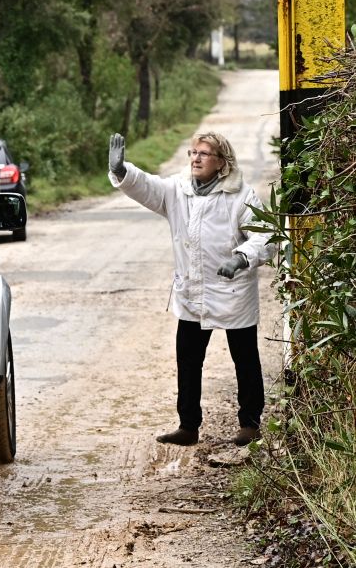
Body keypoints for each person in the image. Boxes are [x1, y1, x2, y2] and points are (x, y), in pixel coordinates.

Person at [108, 131, 275, 447]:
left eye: (204, 153)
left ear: (222, 162)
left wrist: (242, 258)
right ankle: (188, 426)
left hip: (233, 292)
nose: (196, 158)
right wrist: (122, 171)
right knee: (188, 359)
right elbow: (148, 186)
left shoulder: (241, 195)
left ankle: (250, 424)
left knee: (245, 359)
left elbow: (266, 234)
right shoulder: (178, 190)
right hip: (193, 294)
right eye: (193, 152)